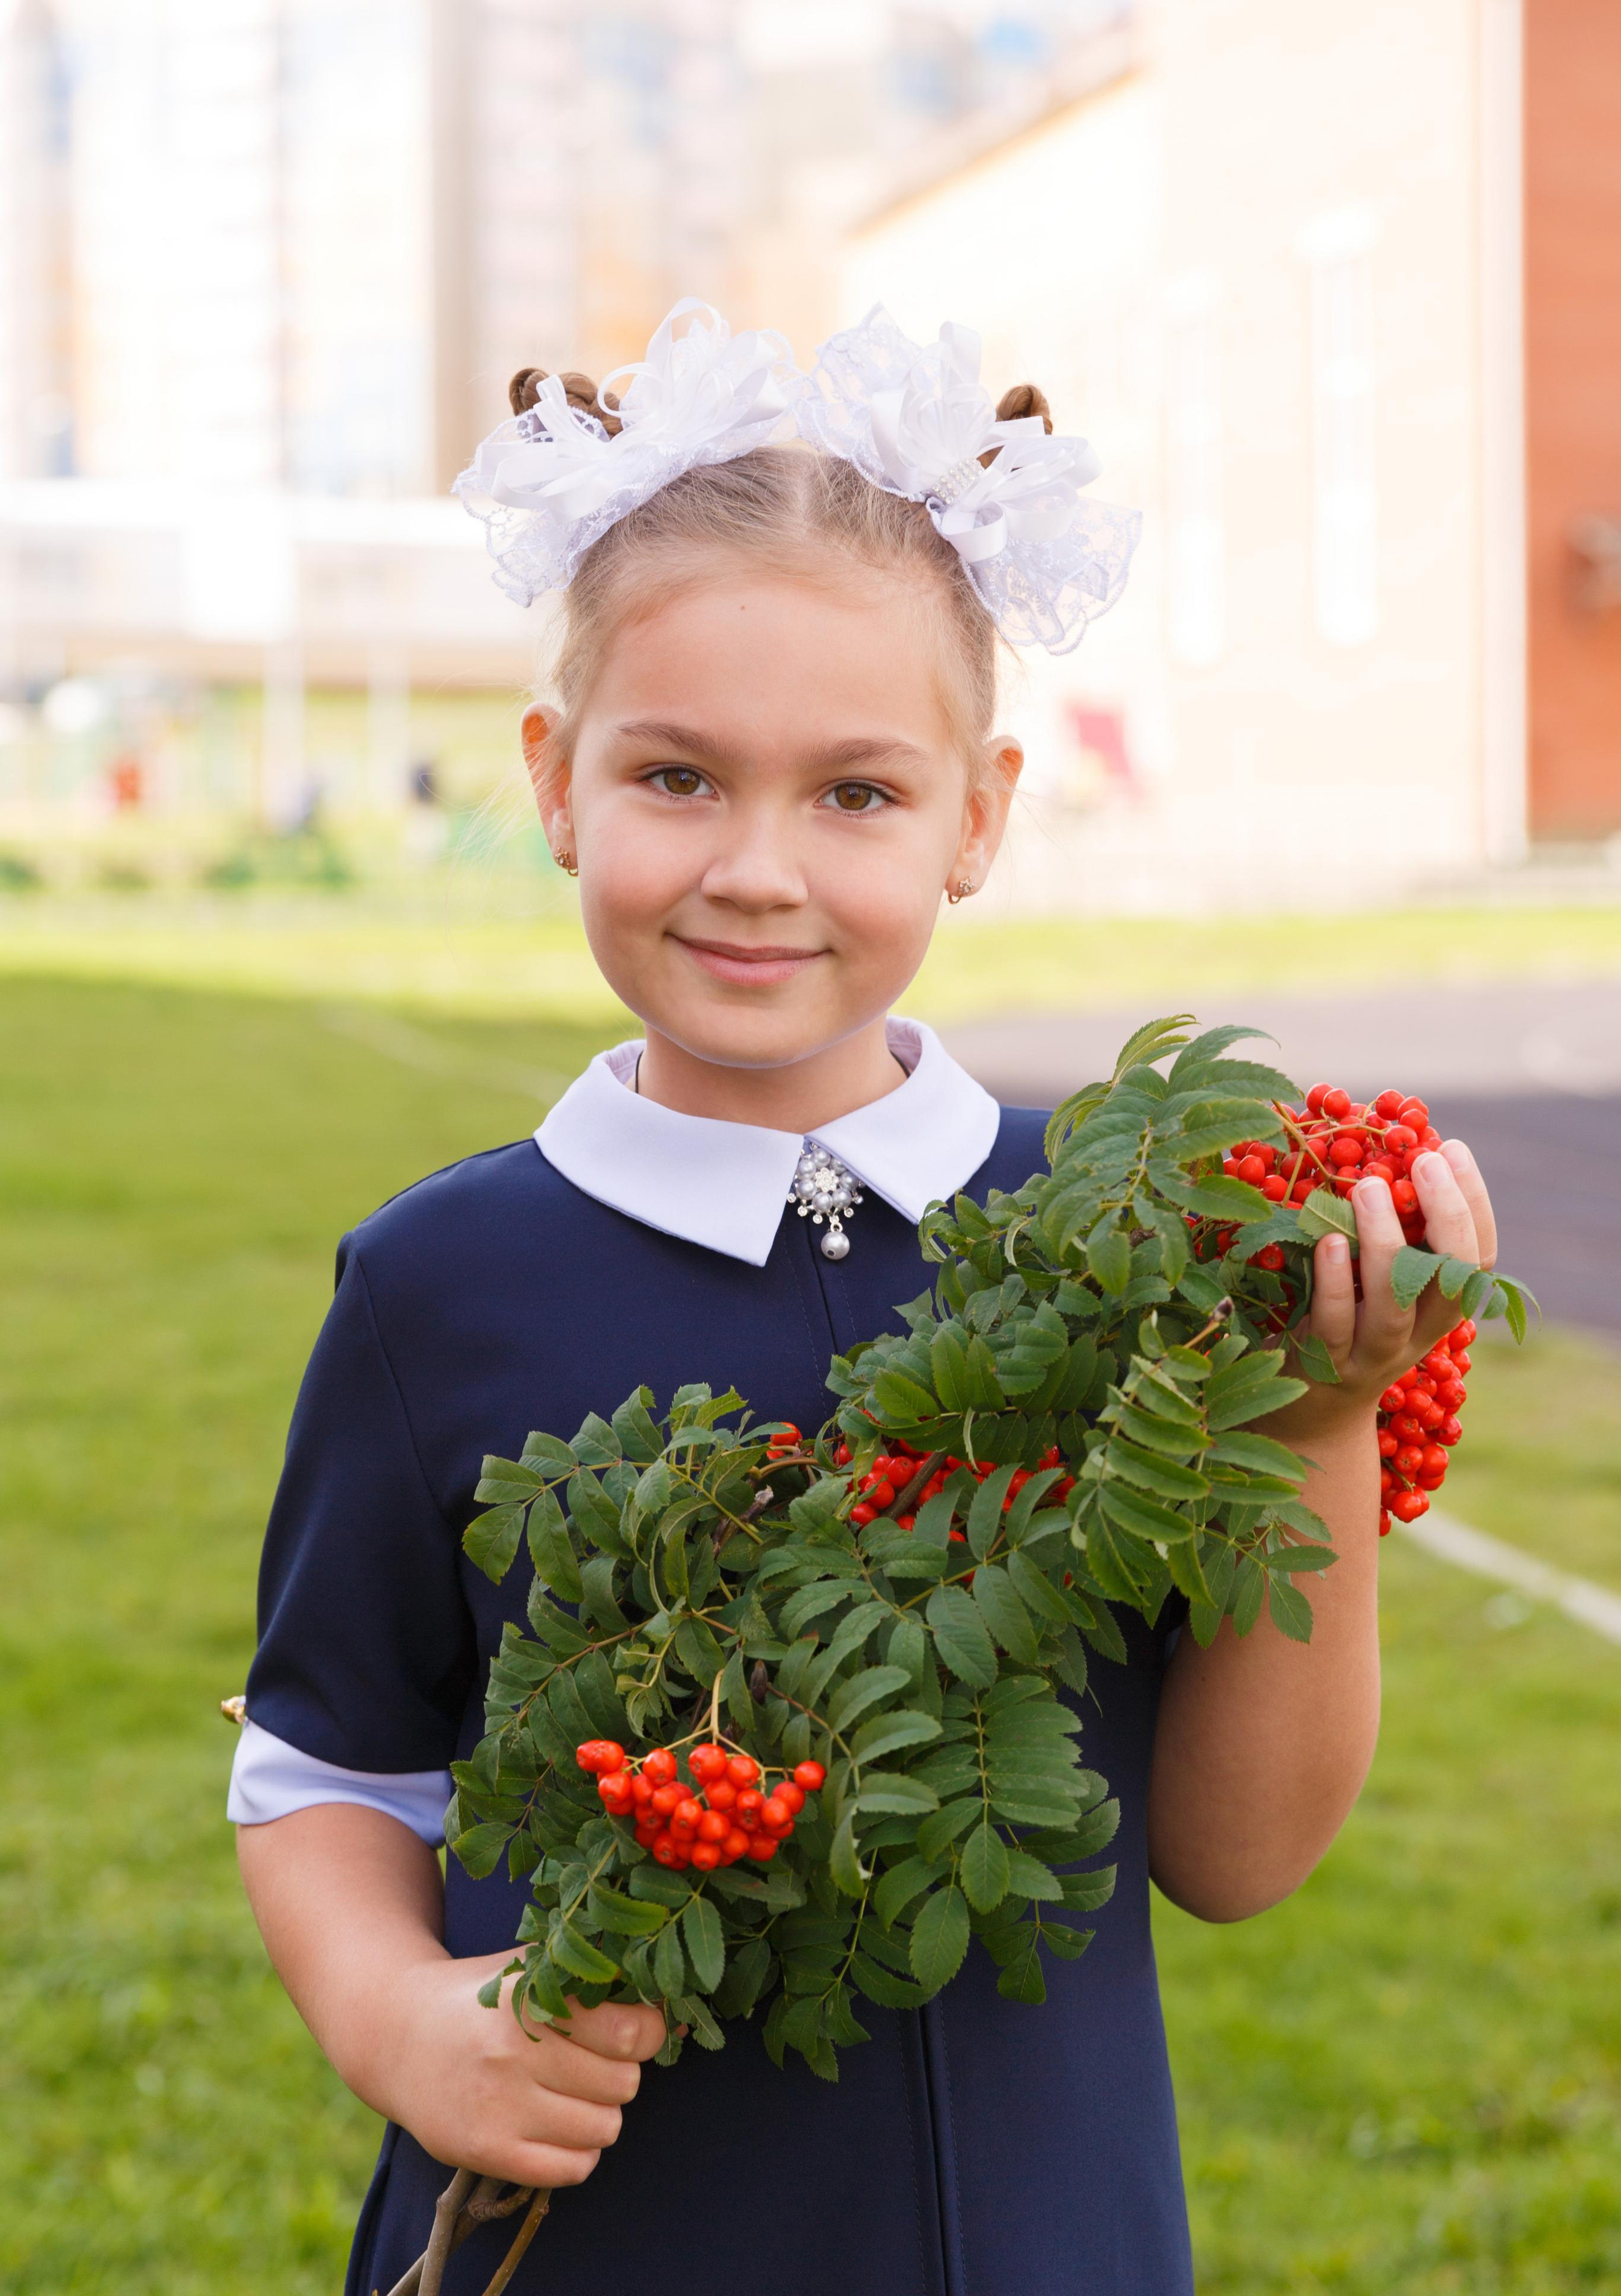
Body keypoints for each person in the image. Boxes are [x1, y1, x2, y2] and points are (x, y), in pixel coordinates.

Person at [230, 302, 1498, 2295]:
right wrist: (402, 2021)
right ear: (556, 783)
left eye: (856, 795)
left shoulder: (1136, 1240)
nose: (758, 868)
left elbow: (1239, 1857)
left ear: (978, 815)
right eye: (678, 776)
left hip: (1057, 2239)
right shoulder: (439, 1286)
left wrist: (1325, 1420)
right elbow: (326, 1766)